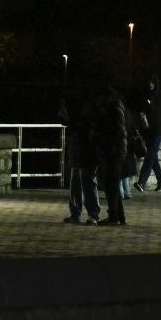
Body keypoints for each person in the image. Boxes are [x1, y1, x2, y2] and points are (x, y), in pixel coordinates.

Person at [58, 90, 100, 224]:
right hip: (78, 148)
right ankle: (76, 213)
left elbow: (84, 127)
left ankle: (93, 214)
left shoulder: (88, 108)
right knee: (76, 181)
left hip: (87, 149)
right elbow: (69, 124)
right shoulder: (78, 106)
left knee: (87, 182)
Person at [93, 86, 130, 226]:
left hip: (113, 153)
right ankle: (119, 216)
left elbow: (117, 131)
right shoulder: (119, 107)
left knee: (111, 186)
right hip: (116, 152)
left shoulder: (113, 110)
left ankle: (114, 216)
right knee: (113, 185)